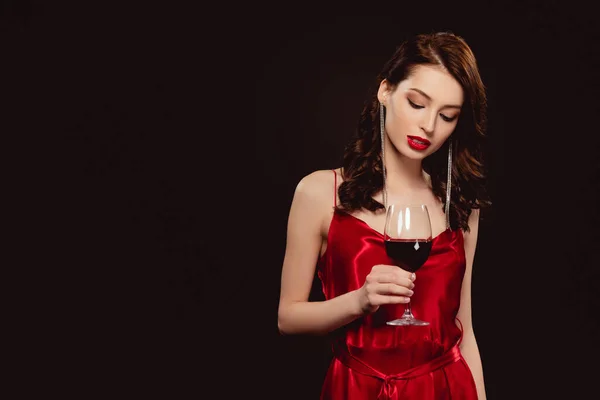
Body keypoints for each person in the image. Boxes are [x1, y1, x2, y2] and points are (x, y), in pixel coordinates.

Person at [277, 31, 491, 399]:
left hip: (445, 388)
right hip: (357, 388)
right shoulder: (318, 192)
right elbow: (288, 318)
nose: (429, 126)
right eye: (417, 103)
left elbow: (464, 329)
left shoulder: (459, 204)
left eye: (447, 115)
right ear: (385, 91)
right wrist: (358, 301)